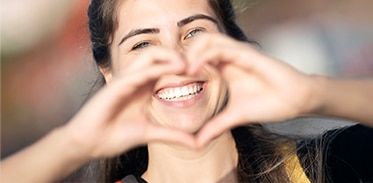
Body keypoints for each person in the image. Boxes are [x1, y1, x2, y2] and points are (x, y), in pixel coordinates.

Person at [1, 0, 372, 182]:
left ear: (232, 43)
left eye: (194, 32)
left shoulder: (329, 166)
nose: (177, 61)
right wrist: (72, 144)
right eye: (143, 44)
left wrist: (315, 94)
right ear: (109, 73)